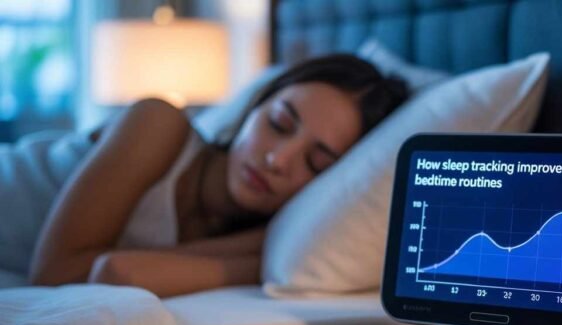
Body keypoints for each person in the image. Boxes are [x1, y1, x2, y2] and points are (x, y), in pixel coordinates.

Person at [27, 54, 408, 297]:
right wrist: (251, 260)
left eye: (316, 164)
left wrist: (271, 250)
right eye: (278, 123)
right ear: (254, 108)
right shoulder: (158, 124)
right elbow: (53, 276)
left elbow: (119, 271)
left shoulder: (252, 235)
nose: (277, 159)